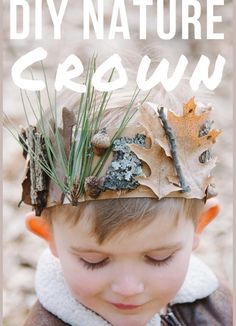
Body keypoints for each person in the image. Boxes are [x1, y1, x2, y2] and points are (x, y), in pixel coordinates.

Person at [15, 61, 232, 325]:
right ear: (49, 237)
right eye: (94, 261)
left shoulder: (214, 307)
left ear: (200, 225)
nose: (129, 288)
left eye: (158, 258)